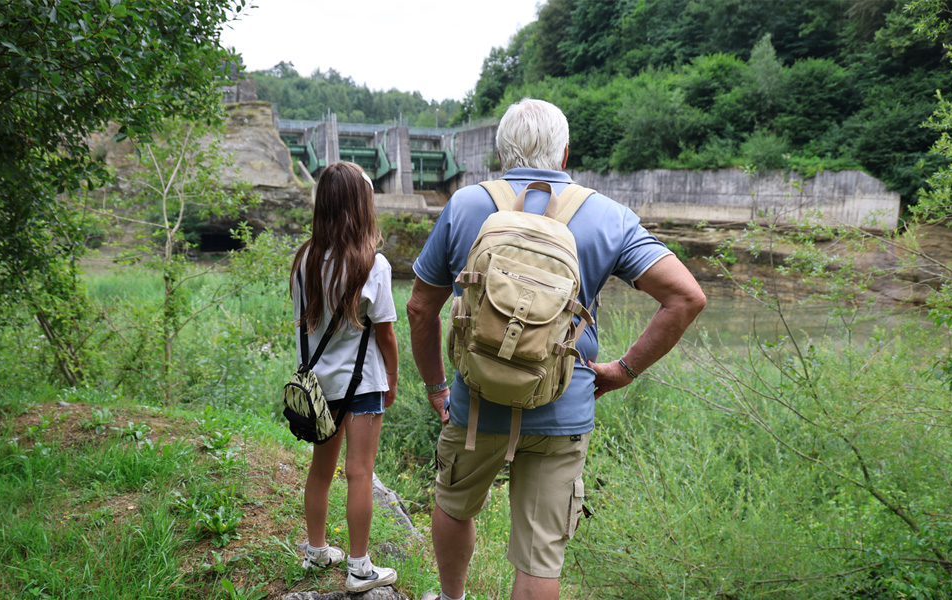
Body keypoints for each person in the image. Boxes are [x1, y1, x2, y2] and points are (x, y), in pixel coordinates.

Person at [408, 98, 706, 600]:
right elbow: (686, 297)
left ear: (502, 154)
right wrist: (623, 370)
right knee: (540, 553)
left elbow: (420, 309)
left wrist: (438, 389)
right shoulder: (608, 216)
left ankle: (452, 597)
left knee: (454, 504)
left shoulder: (465, 205)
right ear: (564, 153)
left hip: (475, 399)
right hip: (562, 405)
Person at [291, 161, 400, 593]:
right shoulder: (373, 264)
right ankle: (359, 568)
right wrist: (392, 379)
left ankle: (317, 550)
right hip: (364, 384)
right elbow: (387, 335)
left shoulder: (304, 258)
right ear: (362, 205)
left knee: (321, 470)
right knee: (360, 472)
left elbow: (306, 323)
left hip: (320, 386)